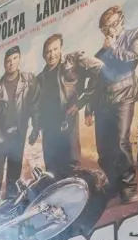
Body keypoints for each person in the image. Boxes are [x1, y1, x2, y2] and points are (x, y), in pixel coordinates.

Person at [89, 5, 138, 204]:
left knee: (120, 142)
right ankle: (114, 185)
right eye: (106, 28)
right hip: (102, 102)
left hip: (124, 95)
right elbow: (95, 78)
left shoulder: (135, 35)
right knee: (103, 149)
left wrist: (113, 47)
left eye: (113, 24)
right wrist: (89, 108)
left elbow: (131, 61)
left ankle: (129, 189)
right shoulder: (101, 51)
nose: (111, 29)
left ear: (121, 20)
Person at [28, 33, 92, 179]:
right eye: (48, 51)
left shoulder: (70, 69)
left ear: (61, 49)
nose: (52, 54)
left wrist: (83, 104)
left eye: (55, 49)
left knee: (71, 165)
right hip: (48, 129)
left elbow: (94, 77)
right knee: (51, 169)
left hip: (67, 123)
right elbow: (36, 107)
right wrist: (36, 128)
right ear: (44, 55)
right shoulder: (39, 79)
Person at [0, 45, 36, 204]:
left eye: (14, 58)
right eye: (8, 60)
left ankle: (10, 208)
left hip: (17, 137)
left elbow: (36, 104)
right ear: (4, 64)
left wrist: (36, 127)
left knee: (14, 176)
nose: (11, 63)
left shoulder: (29, 82)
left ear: (19, 59)